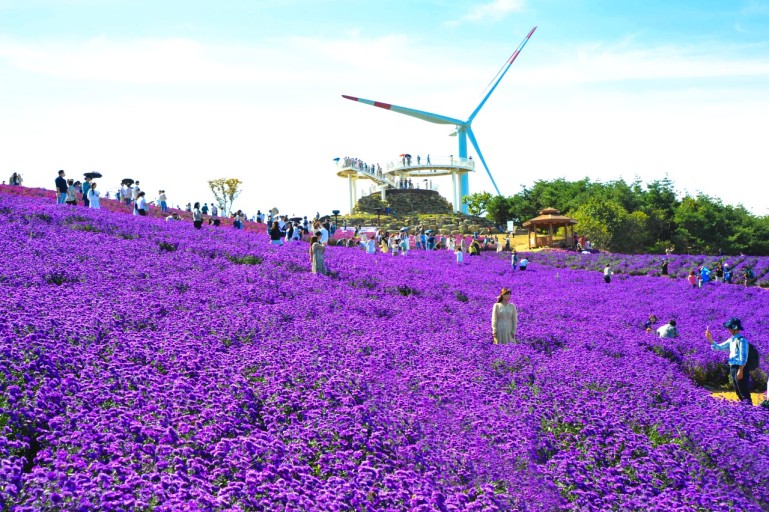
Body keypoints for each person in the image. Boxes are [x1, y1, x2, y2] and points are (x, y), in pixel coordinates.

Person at [707, 318, 752, 403]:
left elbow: (744, 356)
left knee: (743, 391)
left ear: (734, 328)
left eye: (729, 327)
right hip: (733, 367)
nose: (728, 329)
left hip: (740, 368)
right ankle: (746, 409)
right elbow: (719, 347)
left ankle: (750, 409)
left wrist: (740, 370)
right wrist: (710, 339)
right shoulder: (731, 340)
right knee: (738, 391)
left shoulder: (742, 340)